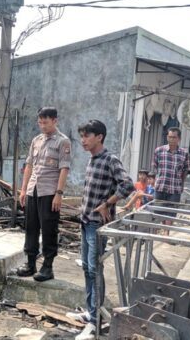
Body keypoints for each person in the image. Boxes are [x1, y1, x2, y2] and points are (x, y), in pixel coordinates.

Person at [67, 120, 134, 340]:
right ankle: (91, 312)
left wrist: (108, 203)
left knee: (95, 270)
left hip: (97, 224)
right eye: (82, 136)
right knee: (87, 268)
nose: (83, 141)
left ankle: (96, 321)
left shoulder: (110, 159)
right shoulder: (92, 160)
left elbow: (127, 185)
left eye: (87, 136)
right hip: (86, 221)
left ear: (99, 137)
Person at [16, 107, 72, 282]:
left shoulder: (63, 142)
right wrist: (24, 189)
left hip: (49, 192)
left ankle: (47, 266)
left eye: (45, 122)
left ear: (55, 121)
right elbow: (29, 166)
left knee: (49, 229)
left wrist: (59, 193)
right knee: (31, 227)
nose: (42, 126)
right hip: (34, 190)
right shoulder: (37, 140)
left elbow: (64, 169)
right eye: (40, 122)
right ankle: (30, 263)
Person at [152, 127, 190, 220]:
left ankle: (166, 234)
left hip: (175, 190)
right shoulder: (159, 151)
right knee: (157, 215)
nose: (171, 139)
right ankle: (157, 234)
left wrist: (181, 184)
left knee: (170, 216)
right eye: (169, 137)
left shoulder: (184, 153)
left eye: (174, 137)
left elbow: (185, 170)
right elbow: (155, 167)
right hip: (160, 188)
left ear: (179, 139)